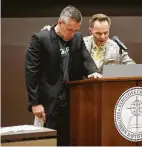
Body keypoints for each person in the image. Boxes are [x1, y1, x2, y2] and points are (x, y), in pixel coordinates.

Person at [25, 5, 102, 146]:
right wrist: (35, 103)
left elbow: (86, 59)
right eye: (69, 30)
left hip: (71, 102)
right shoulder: (41, 38)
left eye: (76, 30)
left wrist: (93, 71)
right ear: (60, 23)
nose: (72, 34)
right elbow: (31, 72)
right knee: (47, 142)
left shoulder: (77, 38)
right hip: (49, 104)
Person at [41, 13, 135, 74]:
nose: (102, 37)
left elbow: (132, 66)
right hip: (85, 92)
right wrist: (51, 31)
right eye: (98, 33)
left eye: (106, 33)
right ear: (90, 31)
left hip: (109, 91)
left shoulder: (116, 47)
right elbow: (62, 41)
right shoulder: (81, 42)